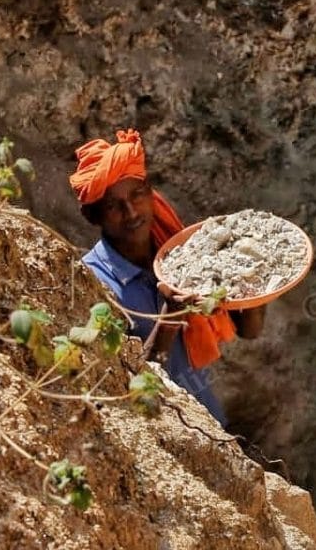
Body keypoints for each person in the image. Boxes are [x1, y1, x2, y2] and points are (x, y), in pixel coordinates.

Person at [69, 128, 265, 425]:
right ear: (92, 216)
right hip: (166, 439)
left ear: (151, 193)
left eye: (137, 194)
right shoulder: (94, 285)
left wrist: (252, 271)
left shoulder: (176, 251)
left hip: (212, 424)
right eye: (113, 206)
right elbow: (126, 392)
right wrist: (169, 318)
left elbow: (250, 330)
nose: (131, 211)